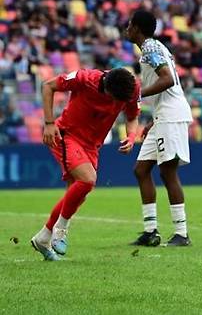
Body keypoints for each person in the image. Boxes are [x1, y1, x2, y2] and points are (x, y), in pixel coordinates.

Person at [31, 68, 140, 260]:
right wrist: (49, 123)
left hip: (92, 145)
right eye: (113, 98)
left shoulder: (131, 88)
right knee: (88, 180)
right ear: (105, 87)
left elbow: (132, 117)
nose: (115, 104)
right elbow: (48, 86)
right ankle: (60, 231)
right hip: (67, 135)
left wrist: (131, 137)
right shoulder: (84, 79)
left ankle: (43, 237)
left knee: (77, 194)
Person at [125, 9, 194, 247]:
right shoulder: (151, 48)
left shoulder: (151, 48)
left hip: (172, 116)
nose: (126, 29)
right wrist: (152, 120)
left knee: (167, 172)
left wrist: (137, 94)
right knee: (141, 170)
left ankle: (182, 234)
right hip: (163, 116)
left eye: (129, 25)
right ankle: (151, 231)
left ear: (136, 28)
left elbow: (167, 79)